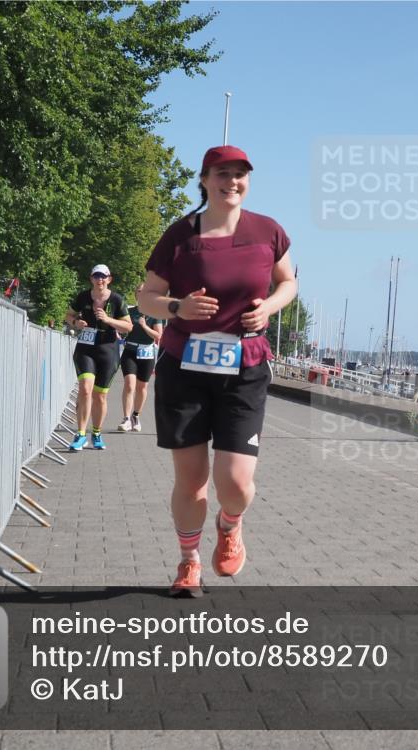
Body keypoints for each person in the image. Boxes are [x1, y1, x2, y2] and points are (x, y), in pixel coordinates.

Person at [137, 145, 297, 597]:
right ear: (205, 179)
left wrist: (267, 307)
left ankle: (231, 524)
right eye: (223, 174)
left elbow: (289, 282)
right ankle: (188, 562)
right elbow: (146, 295)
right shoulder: (180, 236)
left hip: (244, 367)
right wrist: (177, 306)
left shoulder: (268, 231)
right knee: (191, 481)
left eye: (241, 174)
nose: (233, 182)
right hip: (184, 366)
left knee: (236, 482)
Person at [64, 264, 133, 450]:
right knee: (85, 389)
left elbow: (128, 326)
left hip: (107, 350)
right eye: (96, 276)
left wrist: (108, 320)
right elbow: (68, 315)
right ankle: (80, 434)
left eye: (103, 276)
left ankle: (96, 433)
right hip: (85, 349)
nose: (99, 280)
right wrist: (76, 322)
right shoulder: (83, 297)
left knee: (100, 396)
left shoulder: (117, 300)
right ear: (91, 279)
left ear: (109, 279)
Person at [117, 295, 164, 432]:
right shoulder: (130, 312)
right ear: (137, 294)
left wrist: (144, 325)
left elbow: (158, 336)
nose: (141, 294)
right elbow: (123, 329)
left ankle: (135, 416)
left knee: (142, 387)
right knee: (129, 384)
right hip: (130, 351)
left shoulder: (155, 313)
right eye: (139, 291)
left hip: (147, 353)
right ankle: (126, 419)